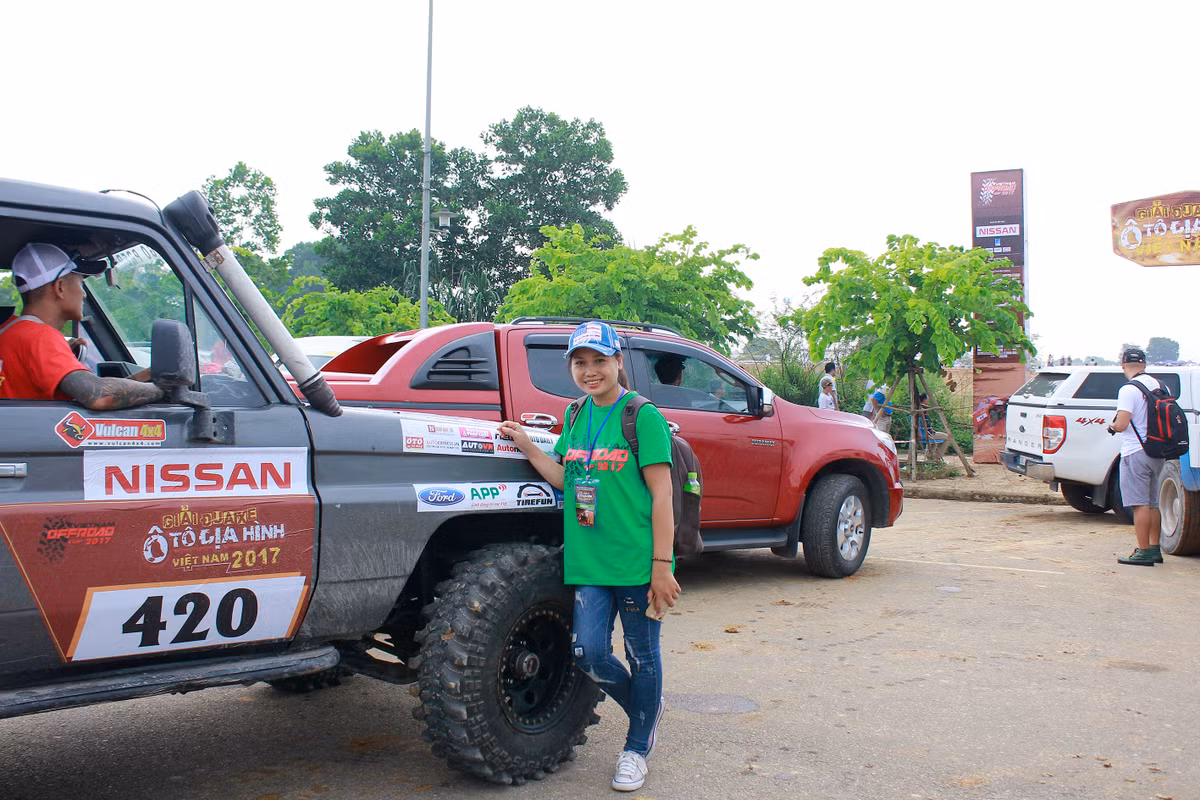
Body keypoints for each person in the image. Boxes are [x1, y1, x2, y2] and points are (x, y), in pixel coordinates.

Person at [498, 321, 679, 792]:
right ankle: (648, 706)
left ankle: (637, 748)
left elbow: (663, 496)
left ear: (619, 362)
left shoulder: (641, 416)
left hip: (638, 562)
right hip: (589, 560)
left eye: (600, 360)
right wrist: (526, 446)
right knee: (589, 652)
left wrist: (663, 567)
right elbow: (566, 478)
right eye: (580, 362)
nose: (590, 370)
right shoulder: (575, 414)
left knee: (642, 656)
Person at [0, 243, 164, 409]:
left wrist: (147, 375)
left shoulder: (9, 332)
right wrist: (162, 391)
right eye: (80, 283)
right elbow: (101, 396)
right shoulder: (40, 337)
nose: (84, 293)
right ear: (60, 287)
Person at [1107, 347, 1166, 566]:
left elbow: (1122, 423)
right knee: (1152, 504)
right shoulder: (1160, 385)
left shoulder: (1129, 389)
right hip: (1157, 451)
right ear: (1144, 364)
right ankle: (1155, 548)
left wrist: (1112, 426)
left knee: (1139, 504)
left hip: (1135, 451)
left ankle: (1143, 551)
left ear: (1123, 365)